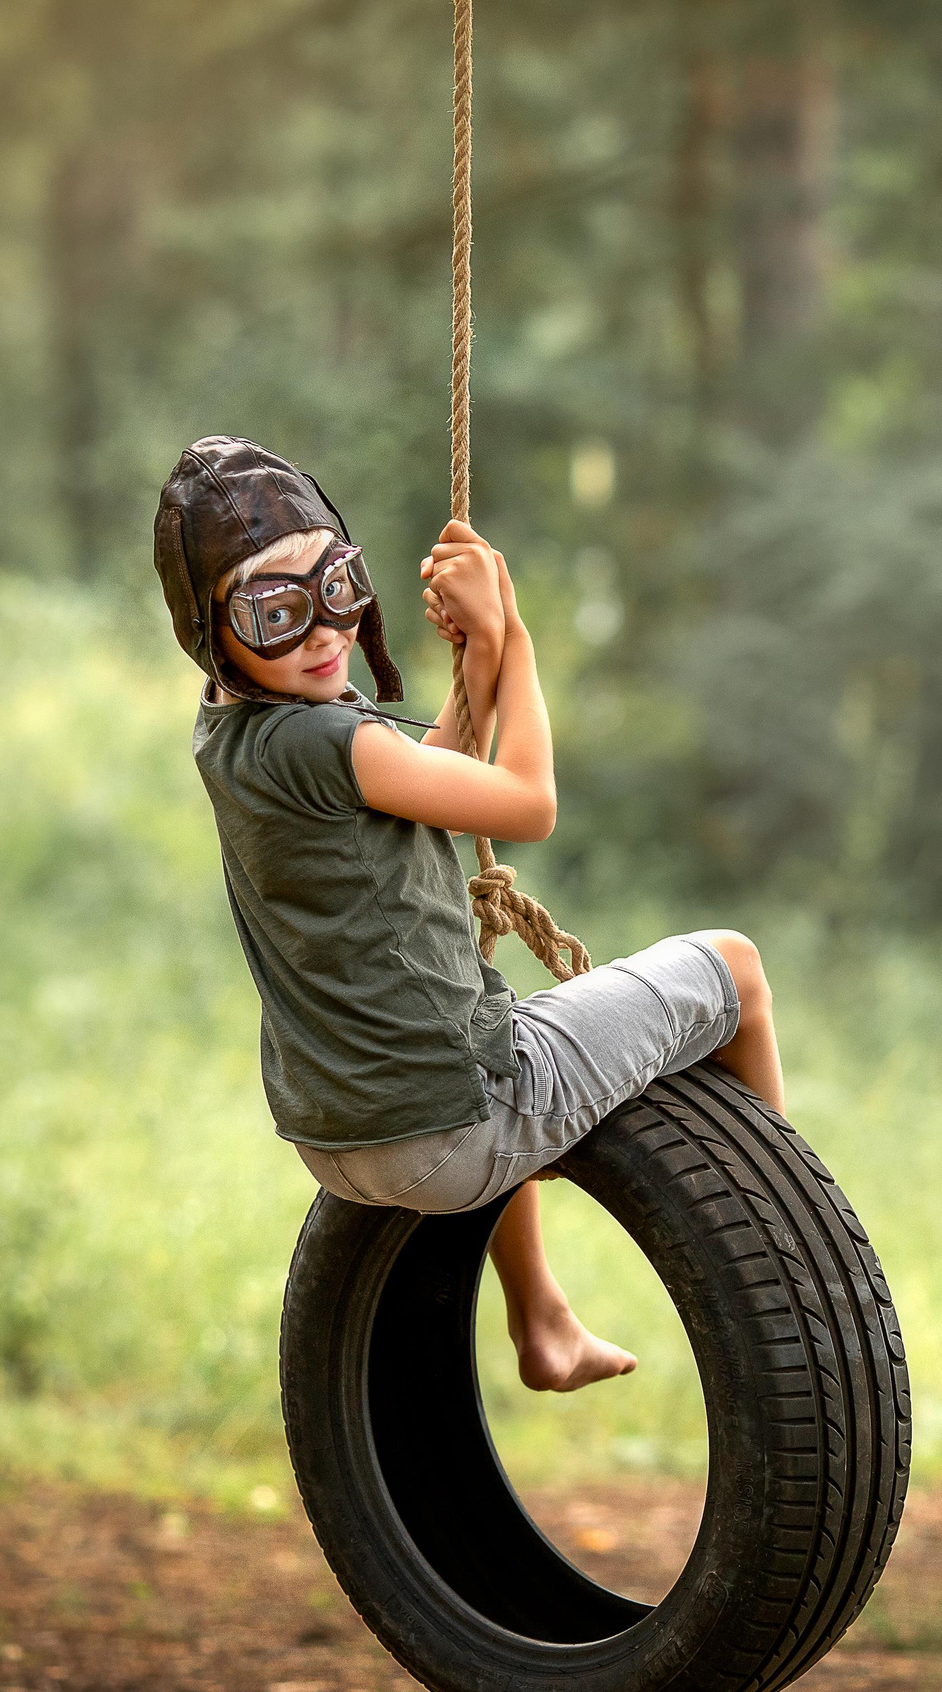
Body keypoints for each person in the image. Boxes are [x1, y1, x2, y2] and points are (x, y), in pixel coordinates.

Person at [152, 436, 786, 1393]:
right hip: (445, 1132)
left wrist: (480, 653)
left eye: (335, 587)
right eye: (273, 613)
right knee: (733, 968)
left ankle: (541, 1319)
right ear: (213, 630)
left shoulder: (233, 733)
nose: (322, 634)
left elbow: (430, 782)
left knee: (501, 1020)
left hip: (340, 1142)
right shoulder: (328, 739)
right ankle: (788, 1265)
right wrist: (519, 637)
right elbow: (526, 804)